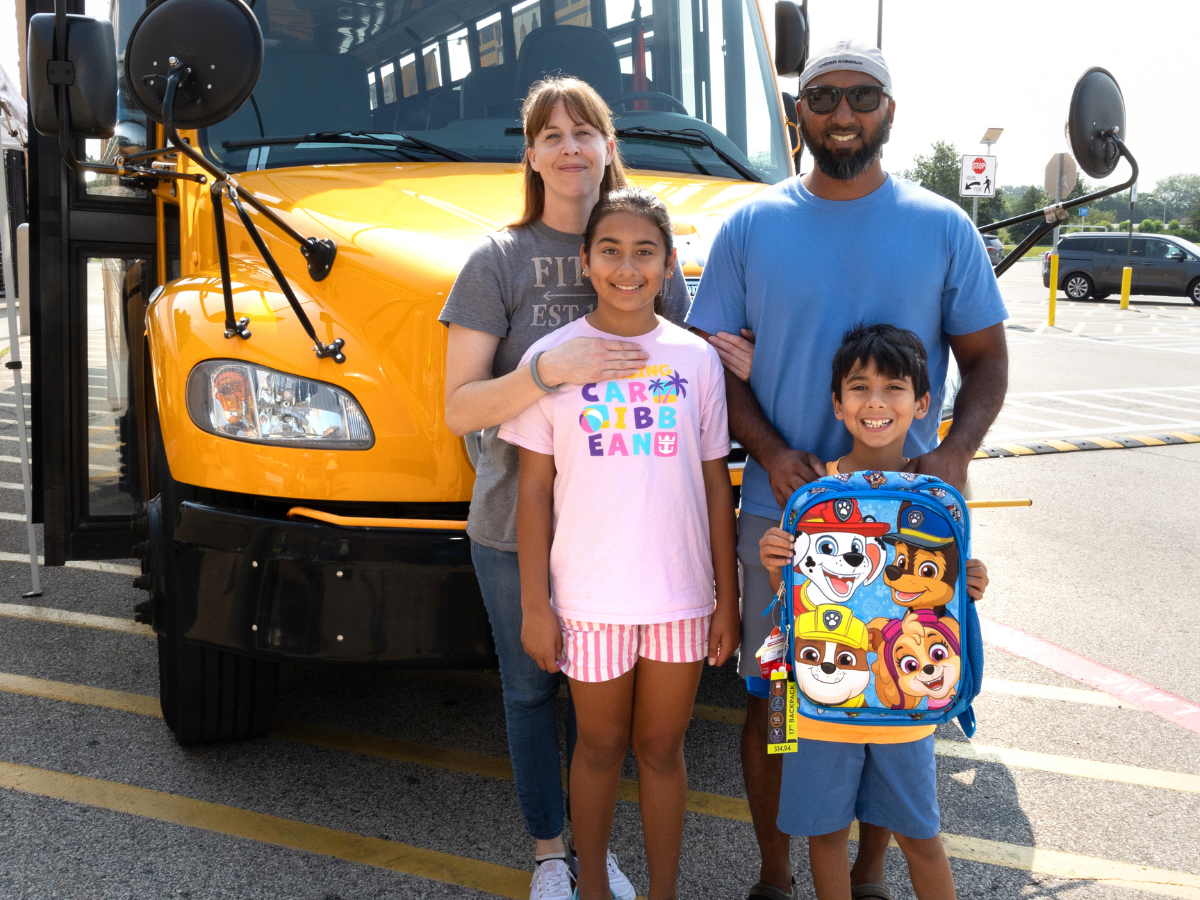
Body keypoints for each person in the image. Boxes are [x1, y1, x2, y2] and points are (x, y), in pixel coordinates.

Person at [684, 39, 1009, 900]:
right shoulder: (751, 226)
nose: (842, 113)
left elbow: (987, 362)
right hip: (782, 514)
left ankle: (867, 872)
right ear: (799, 113)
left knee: (896, 687)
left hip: (907, 517)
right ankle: (777, 873)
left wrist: (949, 457)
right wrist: (768, 447)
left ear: (889, 113)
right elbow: (711, 362)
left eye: (862, 97)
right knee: (775, 698)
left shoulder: (944, 226)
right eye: (823, 96)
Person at [440, 76, 745, 900]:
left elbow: (690, 392)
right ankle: (553, 852)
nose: (569, 146)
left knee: (630, 732)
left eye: (586, 131)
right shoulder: (496, 259)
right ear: (531, 153)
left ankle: (599, 852)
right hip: (523, 520)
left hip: (646, 548)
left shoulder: (651, 268)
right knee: (535, 693)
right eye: (551, 134)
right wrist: (546, 370)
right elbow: (458, 406)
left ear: (610, 146)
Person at [501, 187, 741, 900]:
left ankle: (663, 891)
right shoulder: (555, 358)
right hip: (590, 598)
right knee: (600, 747)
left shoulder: (695, 361)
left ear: (669, 266)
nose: (627, 267)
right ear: (586, 259)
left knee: (662, 751)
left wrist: (726, 601)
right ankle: (594, 890)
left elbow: (712, 490)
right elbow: (534, 493)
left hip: (679, 598)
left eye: (645, 252)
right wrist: (534, 606)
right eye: (610, 250)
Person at [758, 323, 989, 899]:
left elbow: (946, 593)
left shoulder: (934, 492)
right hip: (816, 697)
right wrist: (774, 560)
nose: (876, 402)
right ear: (837, 404)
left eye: (895, 389)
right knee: (827, 832)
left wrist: (972, 580)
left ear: (922, 404)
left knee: (921, 837)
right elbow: (794, 595)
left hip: (904, 696)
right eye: (859, 388)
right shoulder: (812, 491)